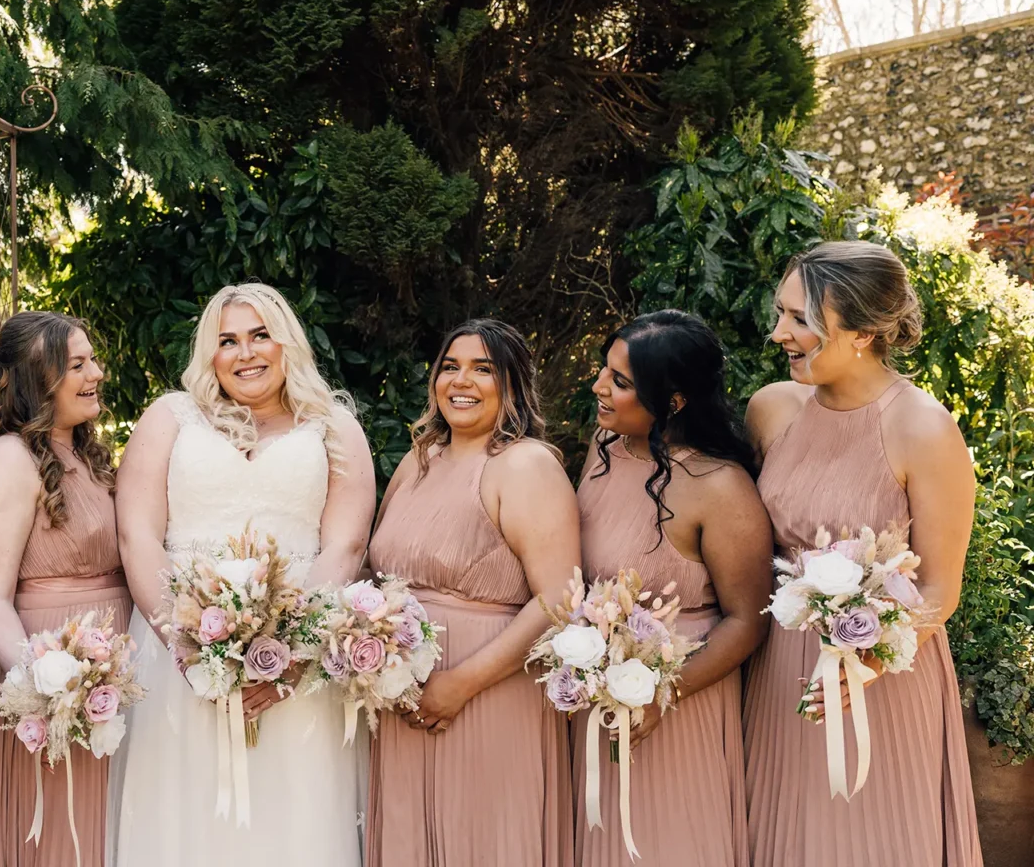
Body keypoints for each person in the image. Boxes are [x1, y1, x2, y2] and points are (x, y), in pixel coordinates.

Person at [111, 282, 376, 867]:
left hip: (300, 653)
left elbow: (346, 543)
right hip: (175, 650)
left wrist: (293, 653)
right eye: (227, 341)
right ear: (210, 354)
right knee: (186, 810)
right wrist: (184, 648)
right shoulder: (169, 418)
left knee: (295, 808)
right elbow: (137, 535)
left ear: (287, 344)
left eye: (260, 335)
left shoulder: (333, 424)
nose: (245, 352)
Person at [743, 240, 982, 867]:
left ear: (863, 333)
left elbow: (940, 590)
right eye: (781, 313)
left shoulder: (923, 429)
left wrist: (866, 667)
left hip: (882, 677)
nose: (779, 334)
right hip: (779, 671)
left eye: (801, 321)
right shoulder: (772, 409)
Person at [364, 319, 579, 867]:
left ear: (512, 385)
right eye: (451, 367)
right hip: (402, 694)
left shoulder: (526, 464)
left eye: (483, 369)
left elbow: (558, 597)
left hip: (488, 693)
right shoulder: (418, 462)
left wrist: (460, 684)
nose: (462, 381)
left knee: (484, 840)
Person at [573, 310, 772, 866]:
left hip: (678, 708)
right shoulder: (603, 448)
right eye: (604, 371)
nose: (598, 387)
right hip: (596, 697)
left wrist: (664, 692)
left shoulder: (720, 487)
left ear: (675, 400)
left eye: (621, 381)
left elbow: (748, 620)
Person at [0, 311, 127, 866]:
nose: (97, 374)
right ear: (39, 379)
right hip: (49, 671)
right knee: (62, 833)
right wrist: (44, 687)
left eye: (93, 360)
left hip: (112, 671)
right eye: (78, 365)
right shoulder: (8, 460)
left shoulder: (87, 452)